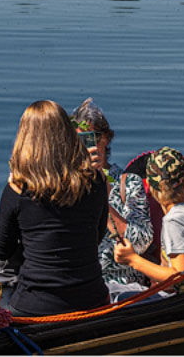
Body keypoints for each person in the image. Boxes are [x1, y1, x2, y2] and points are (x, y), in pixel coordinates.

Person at [0, 100, 109, 316]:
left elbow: (1, 250)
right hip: (93, 299)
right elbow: (97, 237)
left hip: (34, 306)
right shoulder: (97, 181)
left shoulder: (16, 190)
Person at [70, 98, 155, 302]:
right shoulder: (67, 187)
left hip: (122, 285)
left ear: (107, 138)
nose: (88, 146)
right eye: (81, 140)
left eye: (94, 138)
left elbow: (142, 241)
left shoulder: (128, 184)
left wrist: (102, 192)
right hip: (79, 282)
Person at [113, 147, 184, 291]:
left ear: (150, 186)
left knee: (114, 292)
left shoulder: (174, 220)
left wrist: (133, 260)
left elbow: (182, 278)